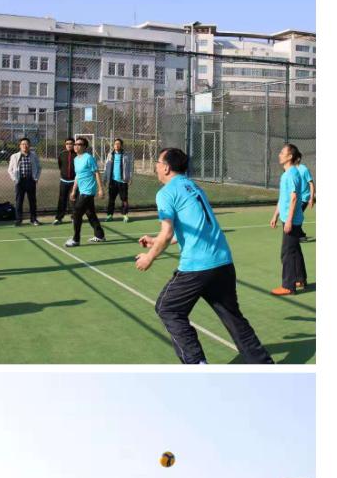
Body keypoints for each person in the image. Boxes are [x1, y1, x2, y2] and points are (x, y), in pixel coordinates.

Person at [135, 147, 273, 365]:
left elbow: (167, 231)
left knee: (167, 309)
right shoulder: (193, 186)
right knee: (234, 319)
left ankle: (196, 363)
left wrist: (149, 257)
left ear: (167, 167)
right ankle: (264, 366)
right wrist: (156, 240)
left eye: (158, 162)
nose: (156, 166)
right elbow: (193, 226)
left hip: (197, 267)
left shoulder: (166, 193)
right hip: (222, 262)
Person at [270, 143, 308, 295]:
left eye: (282, 152)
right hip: (288, 218)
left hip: (292, 220)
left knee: (287, 253)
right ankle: (300, 279)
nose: (279, 154)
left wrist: (289, 221)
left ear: (290, 156)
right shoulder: (287, 174)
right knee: (295, 250)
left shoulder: (291, 174)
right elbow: (283, 198)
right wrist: (275, 215)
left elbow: (293, 198)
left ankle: (288, 286)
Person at [64, 137, 105, 247]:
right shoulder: (76, 159)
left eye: (79, 144)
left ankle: (76, 239)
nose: (76, 146)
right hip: (81, 190)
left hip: (88, 191)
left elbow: (96, 173)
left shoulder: (89, 158)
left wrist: (101, 189)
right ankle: (100, 235)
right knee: (90, 213)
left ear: (85, 147)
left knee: (76, 213)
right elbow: (78, 176)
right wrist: (73, 191)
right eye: (75, 144)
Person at [7, 136, 42, 226]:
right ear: (20, 146)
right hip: (20, 181)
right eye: (23, 144)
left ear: (29, 145)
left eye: (26, 144)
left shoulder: (34, 155)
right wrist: (15, 179)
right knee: (19, 201)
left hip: (31, 181)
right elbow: (10, 170)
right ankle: (18, 220)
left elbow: (39, 167)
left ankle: (33, 219)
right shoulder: (14, 156)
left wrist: (36, 178)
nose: (25, 146)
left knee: (32, 201)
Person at [103, 137, 132, 221]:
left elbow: (130, 167)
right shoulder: (110, 155)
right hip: (112, 181)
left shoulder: (126, 155)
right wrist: (105, 178)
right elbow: (106, 167)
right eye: (115, 144)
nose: (116, 145)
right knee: (111, 199)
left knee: (124, 199)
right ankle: (109, 215)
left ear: (121, 145)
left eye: (118, 144)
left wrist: (130, 177)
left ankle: (125, 215)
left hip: (123, 181)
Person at [54, 137, 77, 224]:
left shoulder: (77, 154)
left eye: (71, 143)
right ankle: (59, 218)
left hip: (74, 182)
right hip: (64, 182)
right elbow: (60, 166)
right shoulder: (62, 154)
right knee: (62, 200)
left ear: (74, 144)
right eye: (67, 144)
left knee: (73, 200)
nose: (69, 145)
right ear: (65, 145)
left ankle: (74, 217)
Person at [296, 153, 315, 241]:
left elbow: (311, 183)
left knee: (296, 216)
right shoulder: (291, 169)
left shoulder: (304, 169)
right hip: (296, 198)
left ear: (298, 159)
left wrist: (311, 198)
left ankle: (300, 236)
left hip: (304, 198)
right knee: (296, 216)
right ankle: (301, 235)